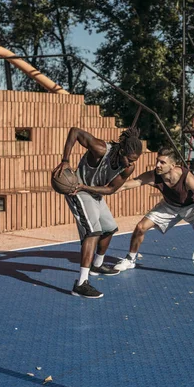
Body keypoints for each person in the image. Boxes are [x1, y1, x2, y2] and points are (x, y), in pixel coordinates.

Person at [81, 147, 194, 286]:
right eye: (157, 161)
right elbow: (132, 183)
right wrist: (105, 189)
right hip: (169, 206)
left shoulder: (185, 177)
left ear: (173, 165)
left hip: (192, 206)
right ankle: (130, 259)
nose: (157, 165)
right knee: (140, 227)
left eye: (162, 162)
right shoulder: (154, 175)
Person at [52, 126, 143, 298]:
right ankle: (81, 283)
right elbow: (75, 132)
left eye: (134, 160)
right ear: (122, 150)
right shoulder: (101, 149)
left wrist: (87, 187)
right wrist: (65, 160)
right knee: (93, 232)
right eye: (129, 159)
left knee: (109, 228)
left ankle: (97, 265)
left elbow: (110, 189)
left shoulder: (128, 168)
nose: (131, 163)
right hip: (76, 190)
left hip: (92, 191)